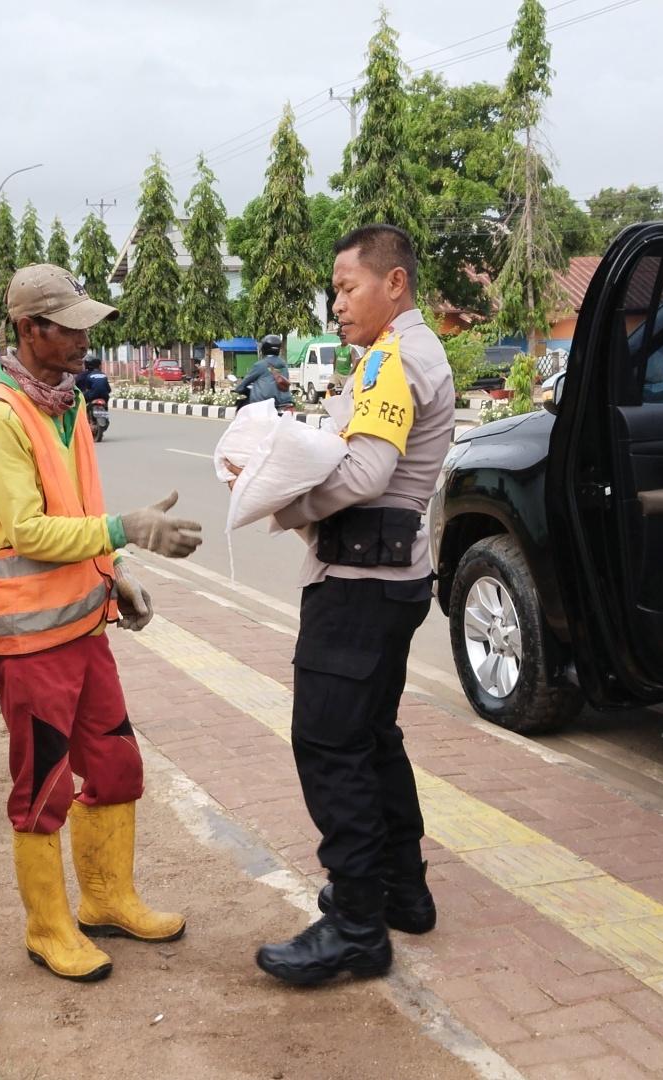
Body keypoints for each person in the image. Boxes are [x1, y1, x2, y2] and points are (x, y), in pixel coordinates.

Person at [0, 263, 203, 982]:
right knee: (42, 788)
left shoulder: (62, 406)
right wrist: (127, 531)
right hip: (30, 644)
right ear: (31, 328)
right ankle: (48, 927)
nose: (84, 339)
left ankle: (106, 898)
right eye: (70, 327)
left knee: (117, 766)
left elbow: (71, 517)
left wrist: (115, 577)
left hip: (83, 630)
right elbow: (32, 533)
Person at [253, 224, 455, 985]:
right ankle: (403, 889)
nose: (336, 303)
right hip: (391, 582)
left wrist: (288, 502)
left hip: (360, 588)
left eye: (346, 286)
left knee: (331, 745)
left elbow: (366, 472)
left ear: (393, 284)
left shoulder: (394, 357)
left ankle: (356, 925)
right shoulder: (406, 354)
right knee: (373, 738)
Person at [234, 334, 289, 407]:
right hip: (283, 403)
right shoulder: (283, 364)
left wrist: (238, 388)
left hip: (262, 404)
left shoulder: (260, 365)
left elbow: (245, 382)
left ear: (263, 349)